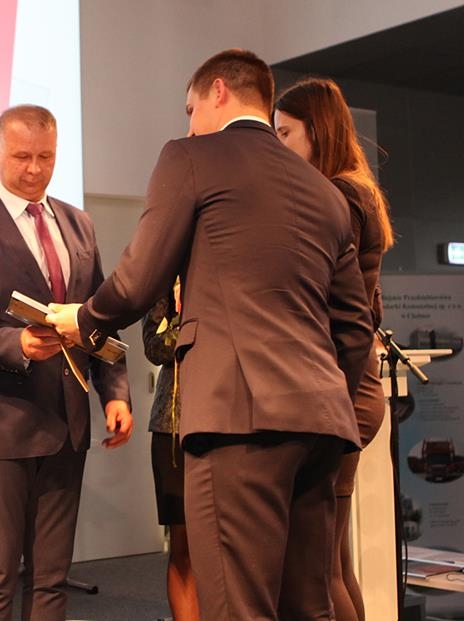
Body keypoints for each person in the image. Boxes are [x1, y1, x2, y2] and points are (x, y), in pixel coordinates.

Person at [46, 49, 374, 620]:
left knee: (236, 607)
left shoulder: (191, 156)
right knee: (308, 607)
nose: (190, 123)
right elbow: (354, 328)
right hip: (322, 425)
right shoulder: (324, 190)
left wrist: (85, 320)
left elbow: (139, 278)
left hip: (237, 420)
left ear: (218, 92)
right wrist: (325, 399)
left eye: (190, 108)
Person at [0, 104, 133, 621]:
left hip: (67, 425)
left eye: (46, 157)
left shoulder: (79, 224)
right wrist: (14, 344)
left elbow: (98, 319)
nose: (35, 169)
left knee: (51, 578)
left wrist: (115, 393)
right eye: (22, 156)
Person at [274, 76, 395, 621]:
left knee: (319, 569)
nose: (276, 145)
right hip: (354, 388)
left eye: (285, 133)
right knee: (334, 564)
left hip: (343, 392)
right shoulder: (357, 191)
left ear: (317, 132)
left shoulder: (338, 196)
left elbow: (335, 307)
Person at [141, 280, 199, 621]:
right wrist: (194, 328)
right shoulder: (168, 276)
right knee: (184, 545)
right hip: (173, 424)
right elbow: (153, 346)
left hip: (231, 423)